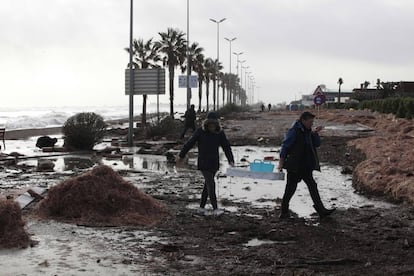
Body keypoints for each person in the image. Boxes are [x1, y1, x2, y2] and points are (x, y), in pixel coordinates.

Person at [277, 111, 335, 219]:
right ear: (303, 120)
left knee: (313, 186)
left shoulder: (309, 131)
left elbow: (317, 144)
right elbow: (285, 146)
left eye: (313, 122)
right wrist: (281, 163)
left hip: (306, 165)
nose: (312, 124)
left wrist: (315, 134)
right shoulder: (294, 131)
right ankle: (284, 212)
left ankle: (321, 210)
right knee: (290, 189)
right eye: (310, 122)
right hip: (294, 166)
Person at [177, 111, 235, 216]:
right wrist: (181, 155)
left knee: (207, 186)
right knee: (211, 184)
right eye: (210, 124)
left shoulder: (219, 133)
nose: (212, 127)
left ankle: (201, 207)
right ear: (207, 124)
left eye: (214, 124)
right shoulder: (200, 131)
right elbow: (189, 143)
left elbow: (226, 146)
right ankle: (215, 208)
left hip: (214, 163)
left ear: (216, 124)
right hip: (203, 162)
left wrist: (231, 160)